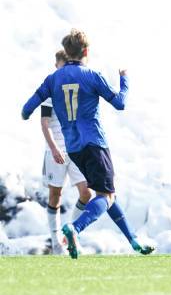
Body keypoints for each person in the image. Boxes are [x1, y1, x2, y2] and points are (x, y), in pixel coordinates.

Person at [21, 29, 154, 259]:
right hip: (94, 142)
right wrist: (124, 80)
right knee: (106, 196)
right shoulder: (92, 75)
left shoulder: (53, 79)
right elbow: (120, 103)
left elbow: (26, 110)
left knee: (107, 194)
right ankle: (75, 228)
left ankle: (133, 240)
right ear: (86, 51)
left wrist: (34, 111)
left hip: (73, 148)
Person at [41, 50, 92, 254]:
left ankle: (69, 233)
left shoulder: (76, 91)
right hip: (56, 151)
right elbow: (44, 124)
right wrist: (54, 148)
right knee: (55, 194)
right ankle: (56, 243)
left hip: (76, 150)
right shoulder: (49, 91)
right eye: (59, 66)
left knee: (86, 193)